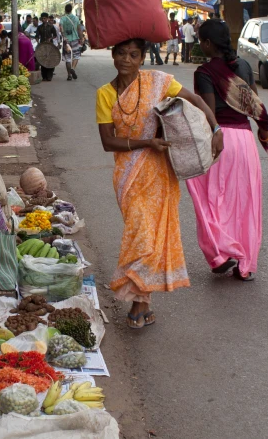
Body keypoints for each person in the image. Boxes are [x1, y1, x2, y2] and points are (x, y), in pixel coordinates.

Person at [96, 38, 223, 329]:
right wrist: (146, 143)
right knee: (141, 235)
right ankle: (142, 303)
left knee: (152, 239)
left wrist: (216, 128)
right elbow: (107, 141)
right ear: (113, 56)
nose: (126, 59)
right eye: (121, 53)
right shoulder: (104, 94)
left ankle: (140, 304)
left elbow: (196, 100)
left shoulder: (157, 81)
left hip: (161, 172)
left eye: (134, 54)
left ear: (142, 58)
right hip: (128, 174)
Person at [187, 20, 268, 282]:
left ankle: (220, 254)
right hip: (244, 142)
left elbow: (208, 112)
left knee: (208, 197)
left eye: (200, 40)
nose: (199, 44)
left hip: (219, 140)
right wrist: (264, 134)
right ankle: (246, 265)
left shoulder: (204, 72)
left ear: (208, 44)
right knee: (245, 202)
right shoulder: (242, 66)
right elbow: (256, 106)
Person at [61, 3, 84, 81]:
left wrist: (64, 37)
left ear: (65, 9)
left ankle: (69, 75)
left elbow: (61, 28)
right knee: (76, 56)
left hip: (66, 40)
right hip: (74, 40)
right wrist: (81, 38)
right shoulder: (76, 18)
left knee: (67, 59)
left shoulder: (63, 19)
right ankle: (73, 68)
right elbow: (79, 29)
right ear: (71, 9)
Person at [36, 12, 59, 82]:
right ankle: (44, 76)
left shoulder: (51, 27)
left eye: (45, 18)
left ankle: (49, 76)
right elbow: (36, 36)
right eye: (42, 18)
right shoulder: (39, 27)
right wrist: (38, 42)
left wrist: (50, 38)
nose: (44, 20)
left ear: (47, 18)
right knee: (43, 61)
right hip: (42, 46)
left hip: (50, 46)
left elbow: (55, 35)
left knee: (50, 60)